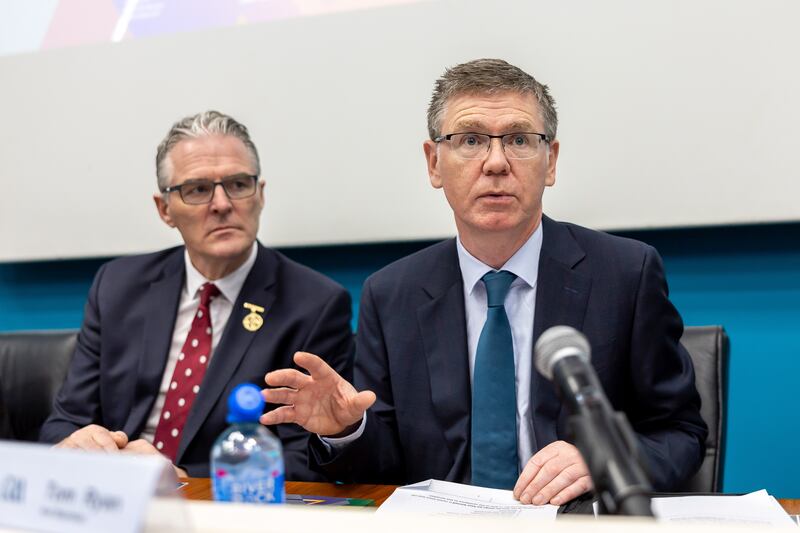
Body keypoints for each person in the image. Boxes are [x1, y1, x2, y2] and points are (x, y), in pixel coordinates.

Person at [260, 59, 707, 505]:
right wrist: (346, 430)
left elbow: (680, 433)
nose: (496, 162)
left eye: (518, 139)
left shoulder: (625, 274)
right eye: (470, 140)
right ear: (434, 163)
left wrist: (603, 458)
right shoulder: (392, 294)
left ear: (550, 161)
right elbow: (386, 462)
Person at [40, 110, 354, 479]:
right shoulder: (118, 285)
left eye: (238, 184)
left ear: (261, 195)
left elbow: (304, 459)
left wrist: (182, 479)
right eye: (198, 189)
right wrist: (84, 446)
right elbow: (64, 423)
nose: (222, 204)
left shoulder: (314, 304)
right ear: (165, 210)